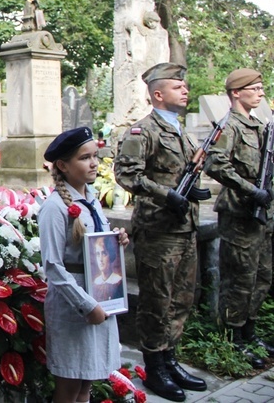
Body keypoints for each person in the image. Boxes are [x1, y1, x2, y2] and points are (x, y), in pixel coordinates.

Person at [114, 62, 208, 402]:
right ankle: (155, 367)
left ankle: (171, 359)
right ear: (157, 94)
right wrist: (167, 194)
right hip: (158, 230)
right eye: (176, 86)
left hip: (184, 228)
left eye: (183, 86)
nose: (184, 90)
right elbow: (127, 176)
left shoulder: (181, 130)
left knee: (181, 299)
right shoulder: (142, 132)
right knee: (156, 301)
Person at [39, 127, 129, 403]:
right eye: (84, 158)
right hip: (75, 305)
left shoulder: (91, 200)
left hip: (101, 297)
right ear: (63, 166)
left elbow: (94, 244)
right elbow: (53, 266)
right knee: (69, 387)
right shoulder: (55, 208)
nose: (93, 163)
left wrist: (116, 241)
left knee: (85, 386)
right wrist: (87, 306)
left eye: (96, 157)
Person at [205, 68, 274, 368]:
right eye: (255, 88)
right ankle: (233, 338)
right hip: (239, 213)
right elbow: (215, 164)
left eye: (261, 88)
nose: (260, 93)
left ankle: (250, 331)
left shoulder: (259, 126)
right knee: (239, 279)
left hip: (263, 216)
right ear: (236, 93)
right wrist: (250, 191)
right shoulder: (228, 126)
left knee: (262, 275)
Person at [92, 235, 124, 302]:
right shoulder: (95, 283)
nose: (100, 259)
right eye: (98, 254)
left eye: (104, 253)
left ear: (110, 255)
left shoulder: (118, 282)